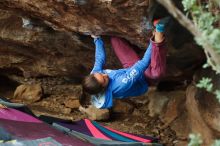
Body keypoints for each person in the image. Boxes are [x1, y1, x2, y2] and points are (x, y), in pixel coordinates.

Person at [80, 18, 169, 109]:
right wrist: (153, 40)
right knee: (156, 73)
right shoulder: (121, 84)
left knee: (115, 40)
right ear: (104, 88)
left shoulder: (95, 76)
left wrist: (97, 38)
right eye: (104, 79)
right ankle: (159, 30)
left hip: (129, 68)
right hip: (145, 79)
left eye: (101, 74)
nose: (105, 75)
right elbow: (143, 64)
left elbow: (100, 59)